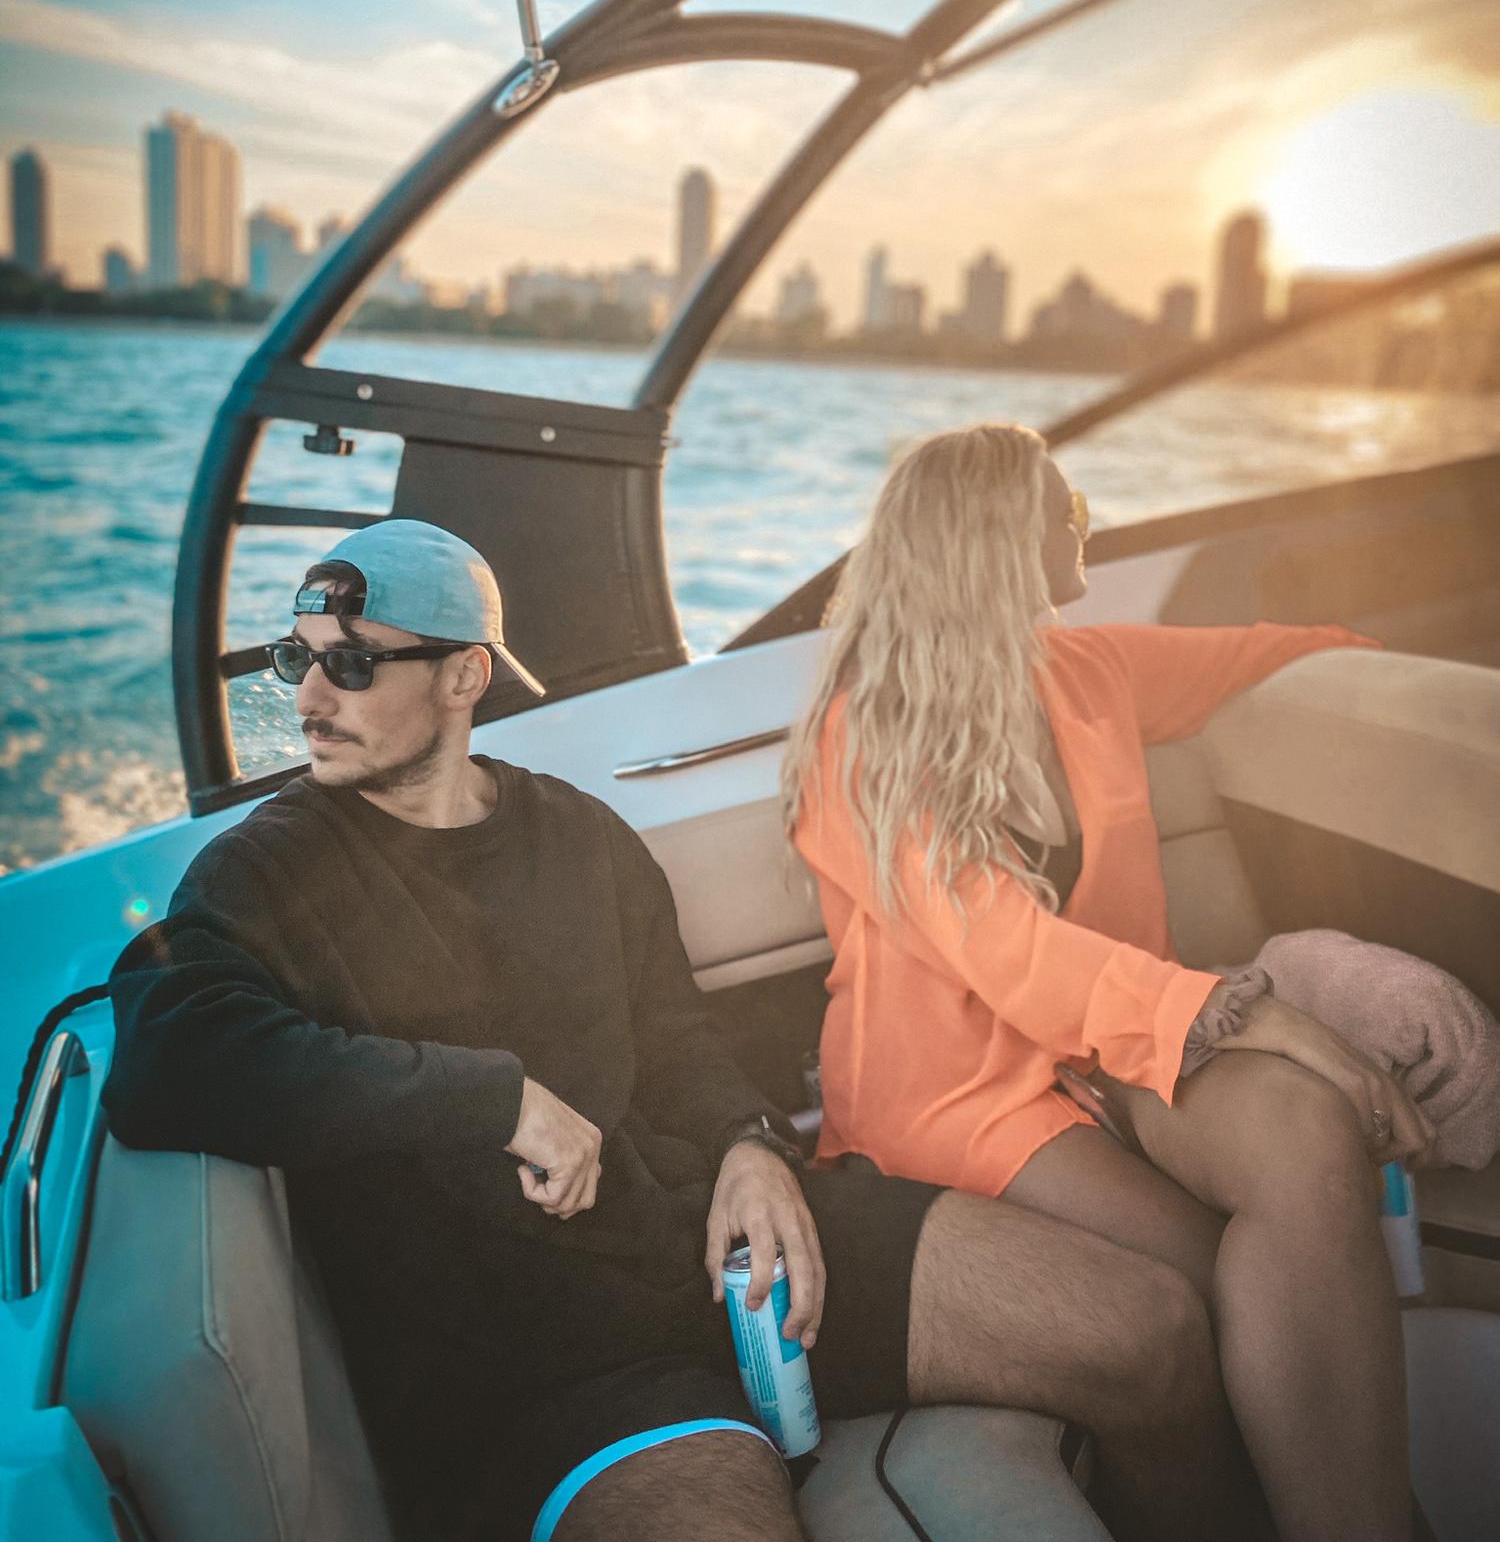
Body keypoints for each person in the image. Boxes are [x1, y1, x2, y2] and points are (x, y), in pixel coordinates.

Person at [105, 517, 1249, 1542]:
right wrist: (489, 1095)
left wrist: (753, 1143)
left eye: (352, 664)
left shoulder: (578, 834)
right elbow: (168, 1051)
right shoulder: (269, 867)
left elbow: (680, 1040)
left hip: (720, 1249)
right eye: (295, 658)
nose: (310, 695)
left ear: (465, 676)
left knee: (1149, 1331)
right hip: (539, 1364)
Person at [784, 422, 1439, 1542]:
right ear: (995, 536)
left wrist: (1396, 671)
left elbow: (1270, 650)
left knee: (1303, 1132)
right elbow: (1010, 954)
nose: (1080, 516)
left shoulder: (1086, 669)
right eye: (1061, 502)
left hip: (1110, 1049)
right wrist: (1262, 1014)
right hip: (962, 1097)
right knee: (1199, 1271)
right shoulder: (867, 734)